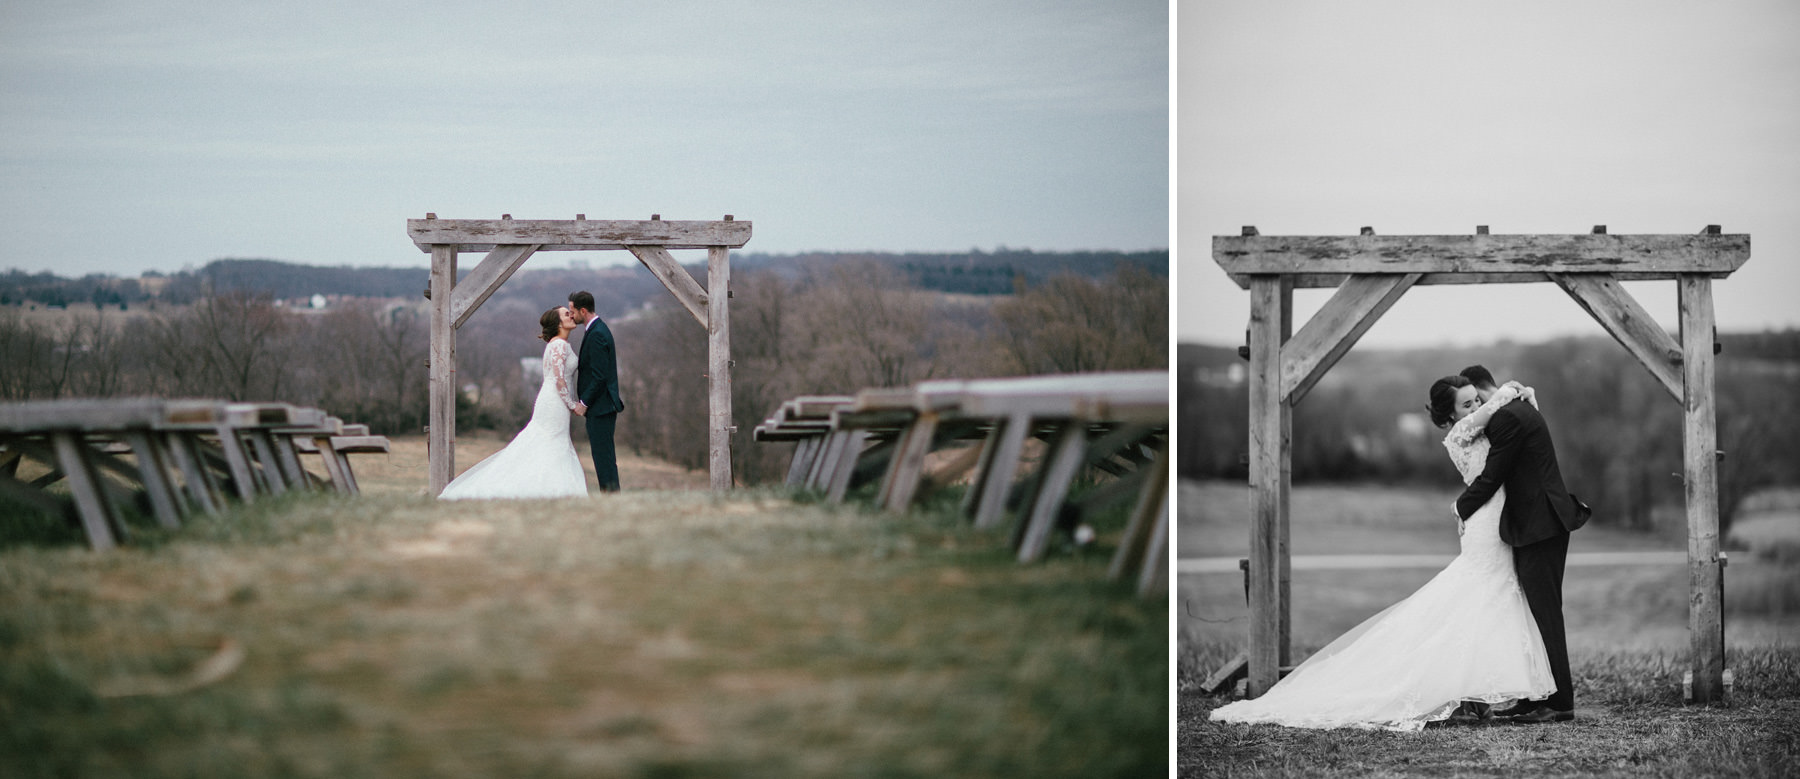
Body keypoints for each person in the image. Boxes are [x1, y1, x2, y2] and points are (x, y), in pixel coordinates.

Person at [1208, 376, 1555, 731]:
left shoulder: (1480, 423)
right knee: (1479, 596)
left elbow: (1507, 432)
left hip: (1495, 518)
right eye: (1466, 404)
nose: (1475, 407)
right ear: (1448, 416)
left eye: (1474, 401)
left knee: (1489, 598)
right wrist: (1512, 390)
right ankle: (1461, 687)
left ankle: (1477, 690)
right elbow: (1494, 411)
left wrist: (1521, 396)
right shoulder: (1461, 432)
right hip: (1484, 524)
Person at [1454, 364, 1590, 724]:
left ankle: (1560, 703)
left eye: (1474, 402)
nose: (1475, 411)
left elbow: (1493, 475)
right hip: (1535, 523)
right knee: (1534, 612)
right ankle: (1536, 697)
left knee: (1545, 613)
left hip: (1541, 524)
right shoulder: (1518, 408)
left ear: (1481, 392)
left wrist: (1459, 508)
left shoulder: (1507, 418)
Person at [436, 307, 588, 500]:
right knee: (552, 442)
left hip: (552, 399)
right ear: (558, 323)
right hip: (555, 401)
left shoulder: (556, 344)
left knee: (546, 442)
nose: (571, 316)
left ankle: (545, 490)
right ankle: (551, 491)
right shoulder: (560, 345)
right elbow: (559, 379)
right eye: (566, 314)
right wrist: (572, 404)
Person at [568, 291, 623, 492]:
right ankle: (610, 496)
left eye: (572, 311)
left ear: (583, 310)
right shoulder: (596, 330)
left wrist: (584, 403)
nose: (571, 315)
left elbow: (599, 376)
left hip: (601, 406)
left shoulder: (598, 333)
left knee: (604, 458)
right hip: (601, 406)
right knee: (602, 456)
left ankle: (611, 497)